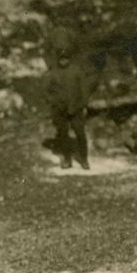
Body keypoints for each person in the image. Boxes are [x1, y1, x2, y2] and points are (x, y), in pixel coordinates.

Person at [46, 28, 92, 170]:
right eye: (61, 58)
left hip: (76, 108)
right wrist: (54, 103)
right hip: (60, 109)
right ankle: (67, 159)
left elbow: (84, 89)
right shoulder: (53, 73)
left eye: (66, 58)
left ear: (70, 58)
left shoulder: (77, 71)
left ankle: (84, 159)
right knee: (63, 135)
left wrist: (83, 104)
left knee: (80, 133)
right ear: (58, 59)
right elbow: (47, 91)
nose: (63, 61)